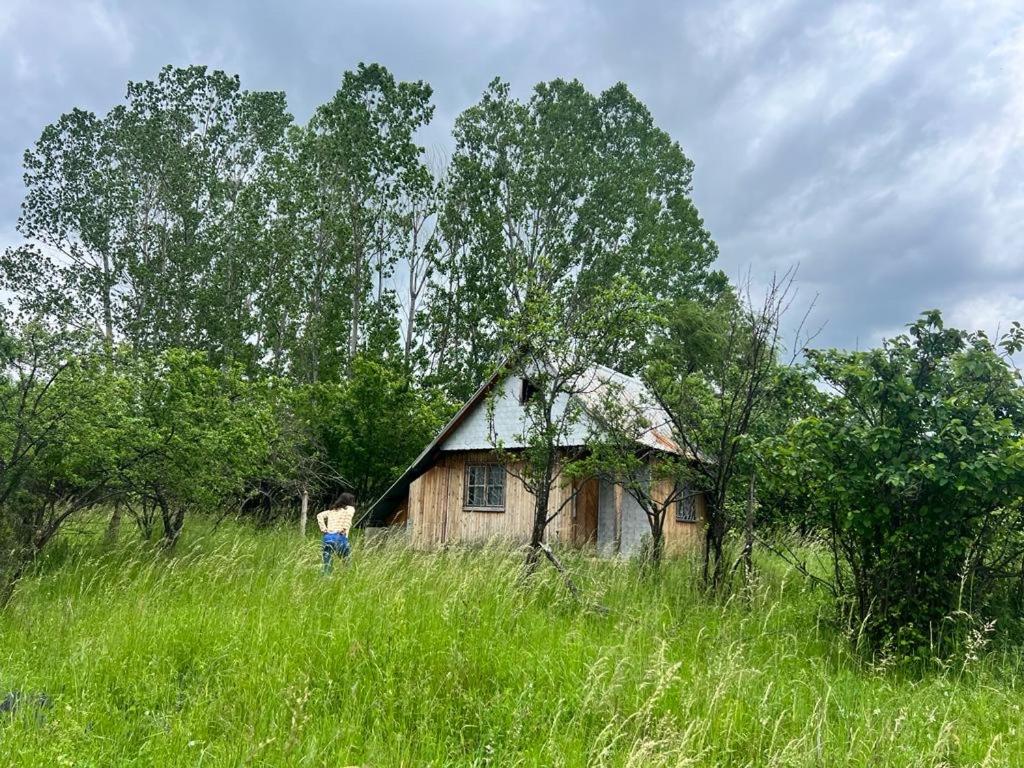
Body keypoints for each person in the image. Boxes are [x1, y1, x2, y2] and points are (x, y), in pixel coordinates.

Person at [317, 492, 355, 573]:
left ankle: (326, 579)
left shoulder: (332, 510)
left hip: (328, 536)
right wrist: (344, 528)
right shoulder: (350, 508)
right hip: (340, 536)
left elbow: (319, 515)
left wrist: (324, 529)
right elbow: (349, 517)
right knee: (346, 561)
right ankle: (347, 577)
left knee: (327, 563)